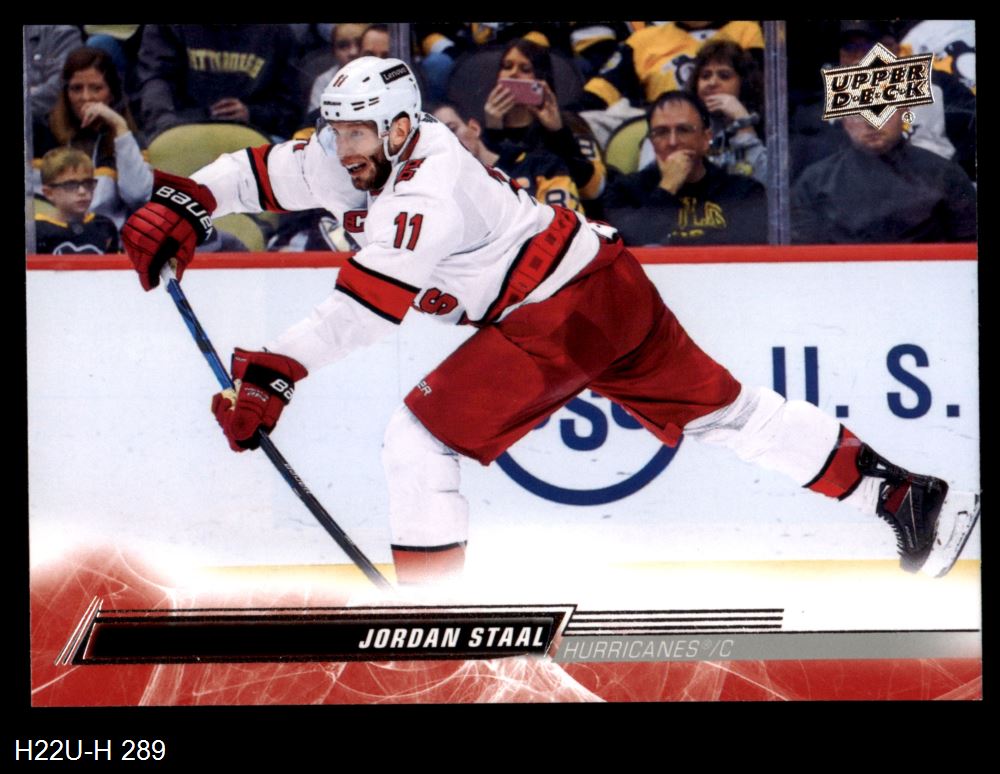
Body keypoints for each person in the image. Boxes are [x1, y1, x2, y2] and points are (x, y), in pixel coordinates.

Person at [121, 56, 978, 587]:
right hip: (602, 282)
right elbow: (260, 172)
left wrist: (275, 372)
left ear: (400, 126)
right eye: (336, 131)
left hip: (553, 310)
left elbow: (367, 311)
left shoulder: (425, 184)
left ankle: (433, 626)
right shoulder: (353, 153)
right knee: (730, 413)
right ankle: (907, 496)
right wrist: (187, 201)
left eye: (358, 134)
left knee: (418, 441)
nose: (343, 149)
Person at [603, 91, 766, 245]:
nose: (672, 142)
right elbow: (626, 245)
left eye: (683, 130)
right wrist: (668, 187)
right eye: (661, 132)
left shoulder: (743, 193)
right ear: (652, 142)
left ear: (706, 138)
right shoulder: (624, 192)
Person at [791, 110, 977, 244]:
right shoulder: (815, 182)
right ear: (845, 121)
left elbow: (968, 250)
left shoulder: (944, 175)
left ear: (904, 113)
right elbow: (805, 257)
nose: (872, 123)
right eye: (859, 114)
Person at [32, 46, 153, 230]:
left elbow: (138, 195)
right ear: (65, 93)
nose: (86, 97)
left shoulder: (126, 140)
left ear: (112, 94)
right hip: (50, 236)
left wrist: (119, 126)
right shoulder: (42, 132)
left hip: (105, 238)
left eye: (96, 88)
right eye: (76, 89)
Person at [482, 38, 606, 214]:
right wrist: (492, 131)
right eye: (507, 66)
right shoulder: (482, 130)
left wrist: (558, 132)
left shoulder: (572, 125)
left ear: (542, 79)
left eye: (525, 69)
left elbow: (594, 189)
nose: (513, 73)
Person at [135, 24, 301, 140]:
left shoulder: (277, 32)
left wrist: (251, 114)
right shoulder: (169, 28)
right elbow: (154, 82)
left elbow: (289, 107)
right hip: (182, 128)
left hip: (255, 133)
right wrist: (168, 126)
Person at [432, 100, 583, 213]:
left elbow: (563, 225)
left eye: (452, 130)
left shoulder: (540, 164)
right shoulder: (446, 193)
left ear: (474, 128)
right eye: (439, 139)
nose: (449, 141)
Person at [35, 147, 119, 255]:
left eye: (88, 183)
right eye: (71, 185)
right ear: (49, 193)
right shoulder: (36, 230)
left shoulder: (104, 226)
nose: (82, 191)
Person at [307, 24, 369, 114]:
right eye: (343, 46)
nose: (353, 52)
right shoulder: (324, 81)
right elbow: (315, 119)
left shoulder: (381, 75)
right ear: (334, 52)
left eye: (359, 44)